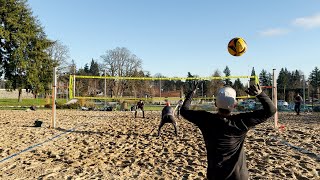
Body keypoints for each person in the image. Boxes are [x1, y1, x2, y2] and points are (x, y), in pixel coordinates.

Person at [180, 83, 276, 180]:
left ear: (216, 104)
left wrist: (191, 94)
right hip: (238, 176)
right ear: (234, 105)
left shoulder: (205, 119)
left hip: (215, 175)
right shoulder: (241, 121)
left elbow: (183, 111)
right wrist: (260, 94)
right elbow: (271, 110)